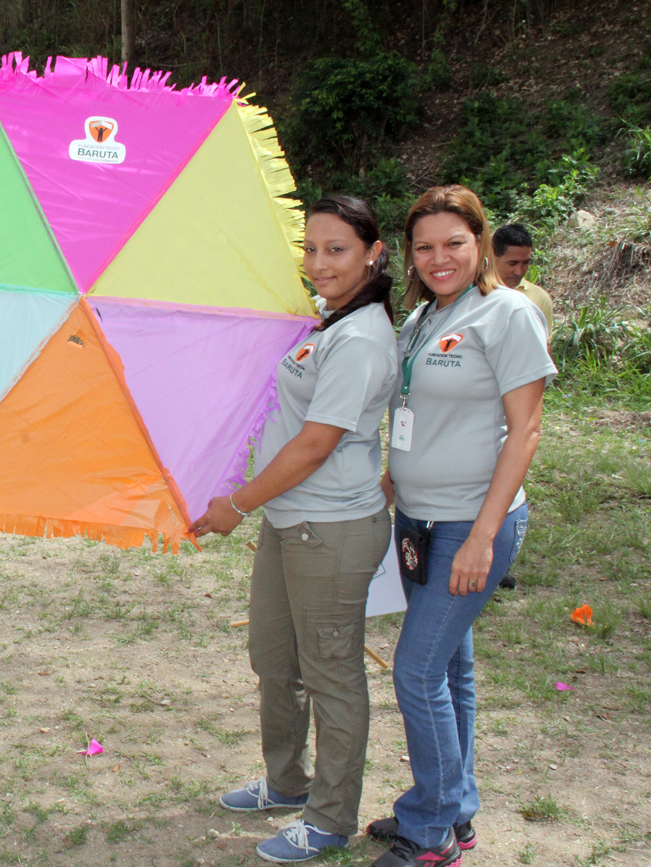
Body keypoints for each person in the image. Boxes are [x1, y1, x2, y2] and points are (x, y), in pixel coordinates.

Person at [190, 196, 397, 863]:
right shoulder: (324, 323)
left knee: (332, 673)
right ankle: (286, 779)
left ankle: (332, 816)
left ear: (374, 252)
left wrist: (236, 504)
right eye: (310, 249)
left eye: (336, 249)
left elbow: (314, 444)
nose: (319, 263)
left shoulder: (362, 337)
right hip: (289, 521)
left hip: (331, 528)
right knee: (275, 660)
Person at [367, 185, 554, 867]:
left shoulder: (506, 315)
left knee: (415, 670)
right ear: (410, 255)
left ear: (478, 242)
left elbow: (526, 428)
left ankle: (432, 828)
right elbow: (417, 411)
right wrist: (393, 479)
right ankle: (454, 804)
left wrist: (483, 533)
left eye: (453, 242)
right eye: (424, 245)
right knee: (450, 668)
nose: (438, 256)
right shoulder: (420, 317)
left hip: (471, 522)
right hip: (416, 516)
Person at [492, 223, 554, 337]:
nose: (519, 271)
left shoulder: (540, 298)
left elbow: (543, 348)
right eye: (512, 263)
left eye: (526, 263)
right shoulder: (474, 292)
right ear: (493, 257)